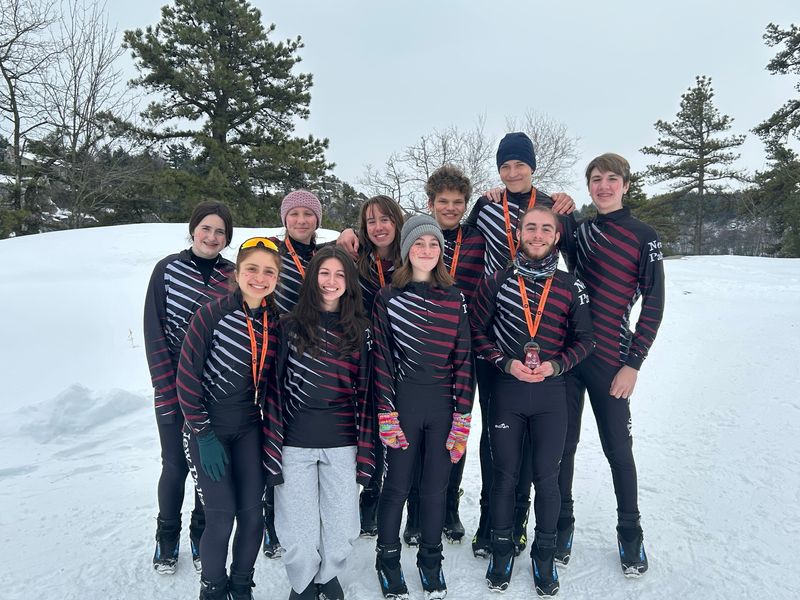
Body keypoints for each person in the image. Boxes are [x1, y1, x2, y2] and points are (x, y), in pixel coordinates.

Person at [470, 206, 594, 596]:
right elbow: (476, 332)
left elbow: (586, 340)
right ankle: (502, 549)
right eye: (530, 228)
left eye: (545, 229)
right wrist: (505, 362)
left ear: (556, 236)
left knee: (547, 477)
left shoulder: (570, 285)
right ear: (519, 234)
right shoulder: (497, 281)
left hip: (551, 393)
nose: (537, 235)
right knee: (504, 476)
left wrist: (556, 366)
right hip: (508, 389)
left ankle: (544, 554)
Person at [465, 132, 578, 557]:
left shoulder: (553, 206)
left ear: (532, 166)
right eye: (505, 166)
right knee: (495, 434)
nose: (512, 173)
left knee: (534, 438)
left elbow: (578, 256)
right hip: (496, 333)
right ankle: (489, 521)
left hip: (542, 336)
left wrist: (571, 206)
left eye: (520, 165)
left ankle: (519, 518)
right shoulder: (486, 205)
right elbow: (457, 241)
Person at [556, 153, 665, 577]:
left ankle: (630, 531)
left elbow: (653, 303)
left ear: (625, 185)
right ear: (588, 186)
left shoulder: (643, 235)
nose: (603, 186)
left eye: (612, 179)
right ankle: (562, 523)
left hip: (612, 360)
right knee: (562, 446)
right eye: (596, 179)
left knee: (618, 448)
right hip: (569, 356)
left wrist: (634, 363)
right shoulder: (580, 231)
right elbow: (537, 223)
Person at [371, 214, 473, 600]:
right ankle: (387, 559)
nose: (427, 250)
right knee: (396, 486)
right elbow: (382, 359)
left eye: (433, 244)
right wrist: (386, 411)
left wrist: (463, 416)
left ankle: (431, 560)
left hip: (443, 406)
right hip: (403, 405)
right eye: (419, 243)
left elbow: (463, 359)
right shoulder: (388, 297)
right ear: (406, 250)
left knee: (434, 489)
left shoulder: (455, 298)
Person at [178, 237, 282, 600]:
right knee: (221, 517)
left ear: (277, 278)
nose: (259, 278)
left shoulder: (275, 321)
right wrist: (202, 433)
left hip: (250, 428)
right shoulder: (212, 313)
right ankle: (212, 588)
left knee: (253, 515)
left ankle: (240, 585)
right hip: (209, 429)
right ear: (237, 273)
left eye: (268, 272)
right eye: (252, 269)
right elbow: (186, 378)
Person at [273, 246, 375, 600]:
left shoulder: (360, 331)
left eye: (340, 275)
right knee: (298, 528)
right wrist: (271, 444)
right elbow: (273, 389)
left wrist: (367, 452)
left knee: (342, 526)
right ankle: (302, 582)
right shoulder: (289, 326)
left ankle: (328, 575)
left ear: (349, 283)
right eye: (324, 273)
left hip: (343, 440)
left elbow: (367, 392)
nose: (331, 281)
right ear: (312, 278)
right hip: (295, 441)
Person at [143, 200, 234, 574]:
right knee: (175, 465)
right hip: (171, 390)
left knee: (207, 469)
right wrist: (168, 390)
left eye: (220, 232)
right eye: (206, 229)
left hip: (213, 391)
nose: (212, 237)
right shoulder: (168, 270)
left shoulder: (232, 276)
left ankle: (201, 533)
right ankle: (167, 537)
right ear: (193, 229)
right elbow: (154, 331)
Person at [400, 165, 485, 547]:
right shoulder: (418, 236)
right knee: (417, 434)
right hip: (420, 348)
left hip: (463, 345)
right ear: (430, 202)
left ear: (466, 205)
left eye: (458, 202)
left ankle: (449, 506)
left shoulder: (478, 239)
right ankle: (416, 511)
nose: (450, 208)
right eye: (443, 201)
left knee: (456, 429)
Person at [262, 188, 324, 559]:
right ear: (284, 218)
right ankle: (271, 524)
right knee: (275, 439)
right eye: (294, 213)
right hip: (274, 355)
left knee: (303, 444)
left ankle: (307, 519)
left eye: (308, 213)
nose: (301, 220)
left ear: (318, 219)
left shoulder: (324, 254)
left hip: (314, 359)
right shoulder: (271, 251)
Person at [350, 195, 405, 536]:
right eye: (371, 221)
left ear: (397, 222)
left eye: (385, 219)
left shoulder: (411, 259)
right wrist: (343, 234)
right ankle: (370, 495)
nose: (379, 227)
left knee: (404, 429)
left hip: (406, 358)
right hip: (368, 357)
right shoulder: (357, 262)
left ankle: (408, 497)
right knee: (371, 425)